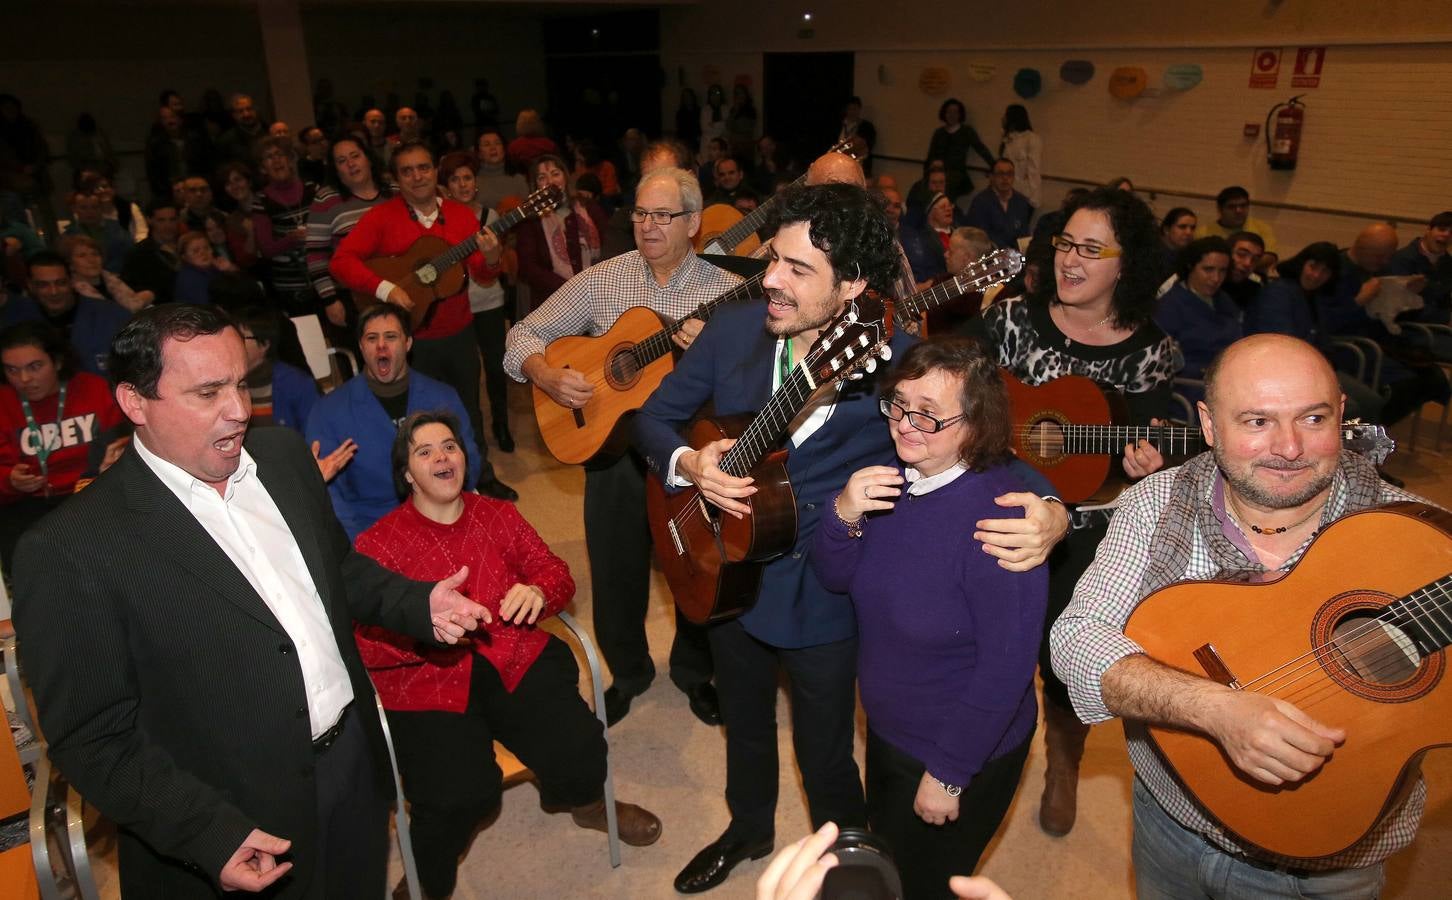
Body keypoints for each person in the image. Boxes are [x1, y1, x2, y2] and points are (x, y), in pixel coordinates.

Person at [635, 183, 1067, 894]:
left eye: (798, 270)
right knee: (742, 721)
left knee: (827, 755)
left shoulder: (900, 363)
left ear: (854, 286)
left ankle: (855, 873)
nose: (770, 277)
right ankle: (747, 828)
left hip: (827, 591)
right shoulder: (734, 330)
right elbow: (652, 421)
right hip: (721, 567)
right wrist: (690, 464)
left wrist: (1051, 510)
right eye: (774, 258)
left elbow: (985, 443)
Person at [12, 303, 492, 899]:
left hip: (351, 766)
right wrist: (206, 832)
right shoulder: (67, 550)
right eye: (208, 392)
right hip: (233, 819)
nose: (239, 411)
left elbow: (336, 571)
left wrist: (418, 605)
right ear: (135, 403)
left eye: (240, 384)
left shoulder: (286, 458)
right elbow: (92, 737)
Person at [1050, 333, 1433, 900]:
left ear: (1343, 414)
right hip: (1171, 822)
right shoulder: (1156, 504)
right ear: (1208, 425)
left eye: (1313, 418)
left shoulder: (1421, 542)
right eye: (1256, 421)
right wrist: (1218, 710)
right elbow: (1077, 640)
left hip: (1332, 868)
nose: (1289, 447)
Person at [356, 411, 662, 899]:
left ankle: (585, 806)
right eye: (424, 451)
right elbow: (357, 640)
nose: (441, 457)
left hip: (511, 657)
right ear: (407, 474)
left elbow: (556, 572)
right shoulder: (378, 545)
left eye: (450, 446)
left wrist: (540, 592)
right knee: (459, 797)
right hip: (428, 684)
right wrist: (420, 629)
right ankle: (428, 883)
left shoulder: (497, 515)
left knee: (582, 748)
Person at [966, 187, 1182, 839]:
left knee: (1064, 651)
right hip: (994, 502)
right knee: (979, 640)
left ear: (1128, 264)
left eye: (1092, 248)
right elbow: (961, 397)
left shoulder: (1151, 351)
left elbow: (1143, 441)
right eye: (1065, 243)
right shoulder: (1009, 321)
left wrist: (1148, 464)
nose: (1070, 259)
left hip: (1090, 524)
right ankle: (976, 747)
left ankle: (1065, 761)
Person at [813, 337, 1048, 898]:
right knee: (889, 863)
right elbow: (834, 578)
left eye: (929, 415)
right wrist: (842, 514)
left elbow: (1007, 671)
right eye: (898, 403)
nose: (906, 424)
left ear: (976, 424)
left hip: (961, 748)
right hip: (892, 731)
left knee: (927, 886)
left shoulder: (1000, 522)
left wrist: (949, 773)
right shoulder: (894, 482)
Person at [504, 166, 737, 728]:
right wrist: (546, 375)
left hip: (686, 456)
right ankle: (628, 673)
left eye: (663, 215)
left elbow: (754, 381)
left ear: (694, 223)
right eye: (640, 213)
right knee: (614, 573)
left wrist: (714, 354)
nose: (649, 225)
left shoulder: (725, 292)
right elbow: (520, 335)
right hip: (611, 450)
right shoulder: (604, 279)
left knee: (695, 568)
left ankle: (693, 672)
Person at [329, 140, 516, 502]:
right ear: (397, 178)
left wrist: (492, 258)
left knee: (469, 410)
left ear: (435, 172)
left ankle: (480, 478)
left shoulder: (461, 217)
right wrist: (385, 289)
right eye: (407, 171)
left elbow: (482, 274)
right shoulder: (382, 218)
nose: (417, 177)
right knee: (416, 417)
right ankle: (417, 486)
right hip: (410, 339)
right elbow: (341, 262)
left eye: (424, 168)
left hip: (459, 331)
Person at [306, 302, 483, 539]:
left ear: (408, 343)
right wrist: (359, 546)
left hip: (443, 519)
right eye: (371, 338)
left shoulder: (444, 397)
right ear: (361, 346)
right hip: (372, 530)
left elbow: (469, 461)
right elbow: (330, 495)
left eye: (391, 336)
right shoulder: (327, 411)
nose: (381, 346)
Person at [0, 320, 128, 570]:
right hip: (28, 505)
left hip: (91, 496)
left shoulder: (94, 390)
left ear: (57, 363)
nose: (24, 379)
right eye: (12, 370)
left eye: (35, 367)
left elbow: (127, 444)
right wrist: (9, 480)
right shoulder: (3, 402)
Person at [1243, 241, 1386, 424]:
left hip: (1314, 368)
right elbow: (1282, 346)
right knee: (1349, 409)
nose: (1317, 275)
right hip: (1282, 372)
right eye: (1313, 267)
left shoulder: (1313, 296)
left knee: (1372, 402)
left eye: (1324, 271)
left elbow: (1322, 338)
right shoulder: (1278, 292)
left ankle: (1362, 452)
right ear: (1302, 264)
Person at [439, 150, 513, 451]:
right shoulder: (440, 219)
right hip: (457, 307)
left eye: (467, 178)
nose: (462, 184)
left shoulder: (490, 217)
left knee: (496, 368)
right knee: (467, 374)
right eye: (455, 179)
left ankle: (502, 425)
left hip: (490, 303)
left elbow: (494, 263)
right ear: (446, 186)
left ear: (476, 182)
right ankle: (472, 432)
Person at [305, 136, 394, 340]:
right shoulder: (326, 199)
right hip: (352, 296)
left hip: (399, 285)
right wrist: (329, 299)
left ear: (368, 158)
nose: (351, 164)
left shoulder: (395, 191)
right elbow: (315, 254)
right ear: (335, 169)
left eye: (355, 156)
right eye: (342, 161)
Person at [14, 251, 132, 376]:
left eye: (61, 283)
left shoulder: (113, 316)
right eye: (43, 285)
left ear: (71, 281)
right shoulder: (18, 322)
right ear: (30, 286)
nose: (54, 292)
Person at [514, 154, 607, 307]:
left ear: (565, 177)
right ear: (536, 185)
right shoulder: (530, 220)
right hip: (552, 303)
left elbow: (609, 245)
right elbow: (528, 268)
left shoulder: (588, 207)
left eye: (555, 174)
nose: (550, 182)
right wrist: (570, 290)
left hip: (597, 295)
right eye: (542, 177)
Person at [1154, 236, 1240, 386]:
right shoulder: (1169, 306)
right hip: (1188, 388)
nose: (1216, 278)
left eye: (1222, 271)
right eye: (1208, 269)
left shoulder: (1225, 301)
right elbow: (1162, 363)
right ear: (1190, 266)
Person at [251, 136, 319, 317]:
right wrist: (292, 239)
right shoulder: (261, 201)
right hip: (290, 287)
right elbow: (266, 249)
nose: (276, 160)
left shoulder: (313, 189)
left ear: (290, 159)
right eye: (269, 157)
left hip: (322, 277)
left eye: (280, 154)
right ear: (262, 168)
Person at [233, 305, 321, 437]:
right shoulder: (226, 381)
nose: (234, 344)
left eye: (241, 338)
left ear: (265, 344)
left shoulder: (297, 384)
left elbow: (314, 436)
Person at [61, 233, 154, 313]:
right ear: (70, 264)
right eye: (82, 256)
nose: (91, 260)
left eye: (95, 254)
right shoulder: (72, 293)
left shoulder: (113, 280)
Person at [925, 99, 996, 202]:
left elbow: (981, 149)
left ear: (960, 115)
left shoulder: (966, 131)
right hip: (937, 172)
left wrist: (994, 166)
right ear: (944, 114)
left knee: (946, 188)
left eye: (955, 112)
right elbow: (930, 156)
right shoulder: (939, 133)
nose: (952, 115)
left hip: (956, 174)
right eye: (949, 112)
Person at [1388, 210, 1452, 324]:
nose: (1447, 235)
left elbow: (1445, 300)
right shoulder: (1402, 259)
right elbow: (1401, 306)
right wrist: (1445, 318)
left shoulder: (1448, 263)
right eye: (1441, 229)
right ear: (1428, 230)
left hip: (1437, 327)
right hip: (1409, 327)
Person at [1197, 185, 1279, 268]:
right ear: (1220, 209)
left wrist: (1243, 266)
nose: (1238, 211)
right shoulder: (1204, 232)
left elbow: (1270, 257)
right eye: (1232, 207)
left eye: (1243, 206)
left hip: (1254, 276)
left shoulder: (1261, 227)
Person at [964, 159, 1032, 251]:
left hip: (1015, 256)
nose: (1005, 178)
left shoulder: (1021, 202)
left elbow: (1024, 237)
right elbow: (979, 237)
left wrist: (1022, 260)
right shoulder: (980, 202)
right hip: (989, 256)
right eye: (1000, 174)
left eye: (1009, 174)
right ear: (992, 177)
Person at [997, 104, 1041, 210]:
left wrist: (1034, 197)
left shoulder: (1031, 138)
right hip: (1005, 190)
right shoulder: (1008, 138)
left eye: (1006, 116)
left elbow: (1034, 170)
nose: (1003, 119)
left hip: (1023, 193)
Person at [474, 127, 528, 211]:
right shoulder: (473, 181)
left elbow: (529, 212)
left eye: (497, 143)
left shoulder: (518, 179)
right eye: (486, 144)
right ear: (479, 153)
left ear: (504, 149)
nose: (493, 148)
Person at [1221, 230, 1265, 310]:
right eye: (1242, 255)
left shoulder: (1255, 289)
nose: (1248, 263)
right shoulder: (1208, 282)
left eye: (1254, 260)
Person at [1157, 207, 1197, 286]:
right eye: (1182, 227)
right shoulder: (1150, 254)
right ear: (1166, 230)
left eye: (1192, 228)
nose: (1189, 232)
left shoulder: (1189, 254)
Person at [675, 87, 702, 153]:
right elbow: (679, 129)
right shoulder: (680, 113)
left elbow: (701, 126)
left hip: (697, 141)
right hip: (684, 142)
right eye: (685, 97)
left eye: (689, 96)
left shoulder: (699, 111)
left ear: (693, 97)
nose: (688, 99)